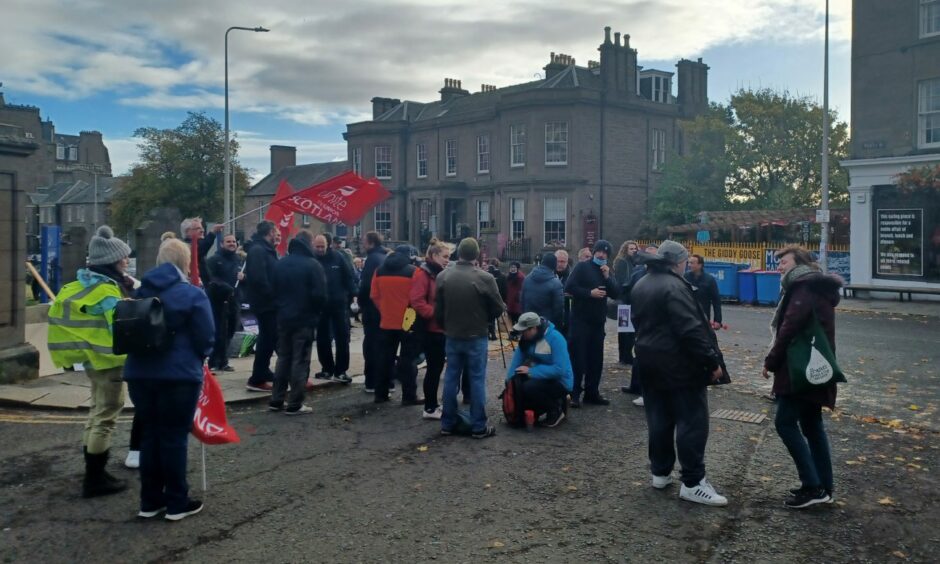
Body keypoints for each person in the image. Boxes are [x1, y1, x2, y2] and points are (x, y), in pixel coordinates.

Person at [123, 237, 215, 520]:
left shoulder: (139, 292)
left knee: (150, 435)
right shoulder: (192, 294)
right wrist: (202, 356)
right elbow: (206, 336)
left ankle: (150, 502)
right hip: (178, 376)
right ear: (184, 263)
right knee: (174, 437)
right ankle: (177, 502)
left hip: (139, 374)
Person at [631, 240, 728, 507]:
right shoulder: (674, 286)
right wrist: (711, 361)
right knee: (692, 421)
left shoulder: (643, 282)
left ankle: (660, 472)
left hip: (649, 361)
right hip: (679, 365)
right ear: (678, 262)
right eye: (685, 261)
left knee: (659, 419)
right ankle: (693, 483)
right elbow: (690, 329)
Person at [48, 225, 133, 498]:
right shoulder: (108, 293)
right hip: (109, 362)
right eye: (123, 258)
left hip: (90, 361)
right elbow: (121, 329)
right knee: (106, 416)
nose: (126, 261)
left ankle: (94, 472)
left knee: (96, 412)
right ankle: (95, 479)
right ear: (111, 261)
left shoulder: (80, 284)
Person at [763, 245, 842, 509]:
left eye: (783, 261)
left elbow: (789, 328)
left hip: (800, 371)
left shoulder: (802, 288)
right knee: (811, 425)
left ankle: (812, 486)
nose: (779, 266)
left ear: (798, 262)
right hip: (815, 369)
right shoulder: (814, 286)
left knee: (785, 423)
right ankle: (824, 486)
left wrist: (771, 362)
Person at [436, 238, 506, 439]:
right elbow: (499, 307)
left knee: (450, 379)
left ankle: (447, 423)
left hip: (452, 334)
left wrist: (446, 325)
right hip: (476, 335)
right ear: (476, 255)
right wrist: (484, 320)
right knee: (476, 380)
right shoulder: (484, 278)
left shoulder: (443, 276)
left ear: (458, 253)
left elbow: (438, 310)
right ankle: (478, 426)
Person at [268, 231, 328, 415]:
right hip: (304, 318)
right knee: (300, 361)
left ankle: (276, 399)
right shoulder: (313, 265)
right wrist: (316, 313)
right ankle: (295, 403)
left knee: (283, 358)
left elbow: (272, 291)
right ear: (309, 243)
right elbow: (320, 295)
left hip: (284, 317)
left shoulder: (280, 264)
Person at [564, 240, 619, 406]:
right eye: (599, 251)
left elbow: (616, 293)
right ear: (594, 252)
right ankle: (574, 394)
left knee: (596, 359)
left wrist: (608, 277)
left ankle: (592, 393)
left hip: (597, 322)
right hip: (580, 321)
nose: (601, 255)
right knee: (578, 358)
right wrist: (589, 293)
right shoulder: (582, 267)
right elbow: (569, 287)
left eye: (605, 252)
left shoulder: (606, 271)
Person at [371, 245, 423, 405]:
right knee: (408, 360)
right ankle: (409, 396)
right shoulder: (414, 271)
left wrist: (384, 309)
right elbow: (417, 297)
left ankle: (381, 394)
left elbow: (374, 296)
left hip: (386, 321)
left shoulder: (379, 271)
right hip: (408, 323)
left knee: (384, 359)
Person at [506, 312, 573, 428]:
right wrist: (510, 382)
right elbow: (516, 361)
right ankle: (538, 409)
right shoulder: (526, 339)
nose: (522, 334)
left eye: (524, 331)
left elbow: (560, 369)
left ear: (534, 328)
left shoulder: (556, 338)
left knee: (529, 388)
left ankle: (556, 409)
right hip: (539, 378)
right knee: (520, 389)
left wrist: (532, 371)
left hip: (560, 381)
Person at [410, 243, 449, 420]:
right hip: (431, 329)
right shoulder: (423, 273)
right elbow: (417, 301)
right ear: (433, 255)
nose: (448, 260)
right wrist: (436, 315)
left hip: (439, 328)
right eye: (445, 256)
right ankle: (430, 407)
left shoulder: (435, 273)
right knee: (434, 369)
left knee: (436, 368)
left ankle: (432, 404)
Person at [313, 233, 357, 384]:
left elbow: (349, 277)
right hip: (320, 305)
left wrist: (353, 295)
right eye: (317, 247)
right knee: (322, 338)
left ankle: (341, 370)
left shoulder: (338, 258)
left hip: (339, 303)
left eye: (322, 247)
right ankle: (327, 368)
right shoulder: (313, 260)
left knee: (342, 337)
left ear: (328, 245)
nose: (320, 249)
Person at [243, 221, 279, 392]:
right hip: (265, 303)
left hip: (267, 302)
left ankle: (263, 371)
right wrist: (273, 295)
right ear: (271, 232)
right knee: (267, 338)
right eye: (276, 232)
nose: (277, 235)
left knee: (268, 338)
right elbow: (259, 279)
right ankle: (257, 378)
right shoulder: (258, 250)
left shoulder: (263, 249)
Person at [205, 233, 242, 372]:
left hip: (235, 300)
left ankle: (223, 360)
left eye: (234, 241)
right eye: (228, 241)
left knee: (231, 329)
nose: (232, 243)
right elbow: (211, 278)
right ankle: (214, 360)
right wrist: (225, 288)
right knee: (219, 331)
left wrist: (244, 278)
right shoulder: (214, 260)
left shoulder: (239, 260)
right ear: (221, 244)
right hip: (218, 301)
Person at [359, 231, 388, 393]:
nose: (362, 243)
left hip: (372, 309)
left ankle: (371, 381)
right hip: (384, 308)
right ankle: (385, 380)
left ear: (370, 242)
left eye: (364, 240)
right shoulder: (384, 257)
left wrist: (361, 304)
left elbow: (366, 287)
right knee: (383, 345)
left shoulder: (372, 260)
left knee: (370, 345)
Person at [521, 252, 564, 327]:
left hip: (529, 322)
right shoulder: (556, 283)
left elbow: (522, 301)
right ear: (554, 265)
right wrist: (558, 325)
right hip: (546, 325)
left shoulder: (527, 278)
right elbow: (558, 309)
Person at [614, 241, 639, 364]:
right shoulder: (622, 262)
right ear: (625, 249)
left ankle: (626, 355)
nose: (634, 250)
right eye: (631, 248)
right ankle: (624, 356)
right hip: (624, 300)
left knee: (631, 331)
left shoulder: (635, 262)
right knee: (624, 330)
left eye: (635, 248)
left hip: (632, 300)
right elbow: (622, 281)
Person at [181, 217, 223, 287]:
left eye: (202, 228)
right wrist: (212, 233)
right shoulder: (186, 246)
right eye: (198, 228)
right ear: (187, 231)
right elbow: (200, 248)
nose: (202, 231)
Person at [684, 254, 723, 330]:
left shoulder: (709, 280)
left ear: (700, 265)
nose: (689, 265)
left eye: (692, 263)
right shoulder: (685, 277)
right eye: (689, 263)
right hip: (687, 316)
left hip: (703, 318)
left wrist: (717, 320)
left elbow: (716, 301)